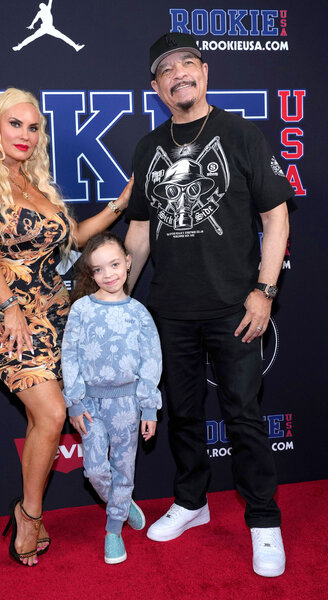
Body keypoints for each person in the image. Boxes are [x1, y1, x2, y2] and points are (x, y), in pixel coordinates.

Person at [125, 32, 293, 578]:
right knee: (185, 415)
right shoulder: (150, 148)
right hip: (169, 308)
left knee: (243, 415)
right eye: (166, 70)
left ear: (205, 70)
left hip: (235, 307)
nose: (178, 75)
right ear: (156, 87)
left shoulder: (240, 134)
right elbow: (141, 233)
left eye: (186, 64)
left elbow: (275, 217)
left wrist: (264, 291)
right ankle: (192, 503)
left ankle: (264, 521)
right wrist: (119, 301)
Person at [0, 88, 133, 567]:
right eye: (16, 124)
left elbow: (71, 240)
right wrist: (10, 306)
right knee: (53, 413)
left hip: (57, 313)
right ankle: (29, 515)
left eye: (34, 128)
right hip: (4, 310)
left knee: (45, 420)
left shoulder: (36, 184)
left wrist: (120, 203)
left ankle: (27, 511)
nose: (26, 135)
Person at [61, 232, 162, 564]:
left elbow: (151, 362)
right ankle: (123, 501)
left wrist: (149, 406)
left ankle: (114, 529)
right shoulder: (81, 310)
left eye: (115, 264)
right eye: (100, 269)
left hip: (128, 405)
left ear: (128, 262)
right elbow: (71, 356)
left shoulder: (139, 313)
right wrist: (74, 401)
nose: (109, 274)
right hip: (89, 404)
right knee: (95, 470)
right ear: (91, 275)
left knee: (124, 467)